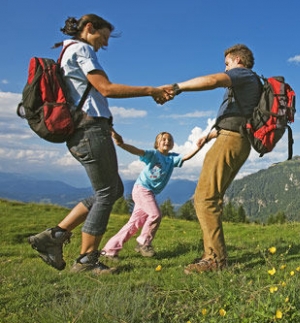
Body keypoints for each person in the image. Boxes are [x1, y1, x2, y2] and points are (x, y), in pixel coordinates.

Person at [27, 14, 174, 275]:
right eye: (102, 37)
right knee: (108, 192)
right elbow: (105, 88)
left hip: (85, 130)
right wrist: (151, 89)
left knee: (112, 188)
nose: (103, 44)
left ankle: (55, 236)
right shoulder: (81, 49)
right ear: (88, 28)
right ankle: (86, 259)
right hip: (89, 131)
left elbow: (89, 97)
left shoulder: (66, 52)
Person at [168, 44, 262, 274]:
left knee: (204, 198)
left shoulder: (241, 73)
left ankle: (215, 260)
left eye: (227, 63)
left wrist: (178, 87)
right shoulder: (253, 81)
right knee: (213, 197)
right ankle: (213, 256)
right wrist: (210, 134)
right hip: (236, 140)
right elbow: (240, 115)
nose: (225, 68)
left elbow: (212, 80)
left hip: (230, 140)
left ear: (238, 60)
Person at [101, 131, 200, 260]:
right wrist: (121, 144)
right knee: (155, 215)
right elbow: (137, 151)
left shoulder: (171, 158)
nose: (167, 141)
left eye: (169, 140)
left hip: (149, 193)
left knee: (134, 224)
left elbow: (186, 157)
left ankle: (109, 250)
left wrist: (198, 147)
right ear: (157, 143)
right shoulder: (153, 155)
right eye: (163, 139)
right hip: (142, 189)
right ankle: (144, 243)